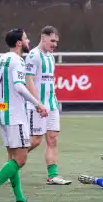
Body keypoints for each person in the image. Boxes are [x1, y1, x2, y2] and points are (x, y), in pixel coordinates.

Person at [0, 28, 48, 202]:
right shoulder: (17, 61)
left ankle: (20, 200)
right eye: (26, 38)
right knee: (21, 159)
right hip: (15, 117)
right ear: (19, 43)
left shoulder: (1, 59)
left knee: (12, 157)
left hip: (5, 114)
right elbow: (18, 86)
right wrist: (38, 104)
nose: (28, 41)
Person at [25, 26, 71, 185]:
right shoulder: (33, 55)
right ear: (43, 38)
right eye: (52, 40)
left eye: (56, 42)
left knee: (52, 139)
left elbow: (48, 81)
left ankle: (53, 175)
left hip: (52, 105)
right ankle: (13, 162)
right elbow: (28, 80)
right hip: (37, 106)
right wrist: (38, 103)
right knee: (35, 141)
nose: (54, 44)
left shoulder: (50, 56)